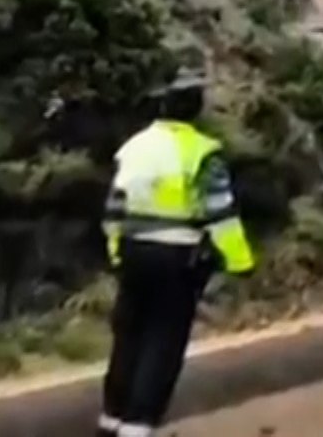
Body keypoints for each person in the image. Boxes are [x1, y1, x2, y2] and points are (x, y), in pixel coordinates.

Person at [97, 71, 255, 437]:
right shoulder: (201, 151)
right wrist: (240, 261)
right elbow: (221, 214)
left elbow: (113, 210)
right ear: (195, 109)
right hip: (177, 258)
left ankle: (111, 419)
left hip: (134, 254)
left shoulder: (133, 147)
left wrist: (117, 251)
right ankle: (138, 426)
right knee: (163, 342)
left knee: (129, 335)